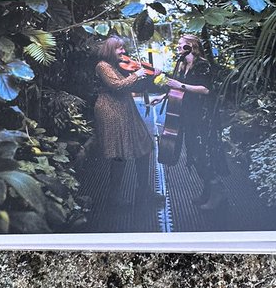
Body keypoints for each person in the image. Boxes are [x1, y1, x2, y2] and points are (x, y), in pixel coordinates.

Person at [93, 35, 155, 202]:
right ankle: (114, 197)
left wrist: (150, 75)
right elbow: (117, 86)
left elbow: (134, 86)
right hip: (111, 110)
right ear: (110, 50)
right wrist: (137, 74)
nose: (123, 51)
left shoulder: (117, 66)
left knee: (144, 145)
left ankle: (143, 191)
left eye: (123, 48)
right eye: (119, 48)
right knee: (118, 152)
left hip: (125, 108)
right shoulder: (102, 66)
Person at [165, 34, 219, 207]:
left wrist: (179, 85)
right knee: (194, 153)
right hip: (187, 114)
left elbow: (205, 90)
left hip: (201, 116)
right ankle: (208, 192)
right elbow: (178, 89)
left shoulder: (202, 65)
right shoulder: (183, 65)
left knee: (202, 154)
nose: (178, 47)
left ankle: (218, 194)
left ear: (191, 46)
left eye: (181, 45)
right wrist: (162, 96)